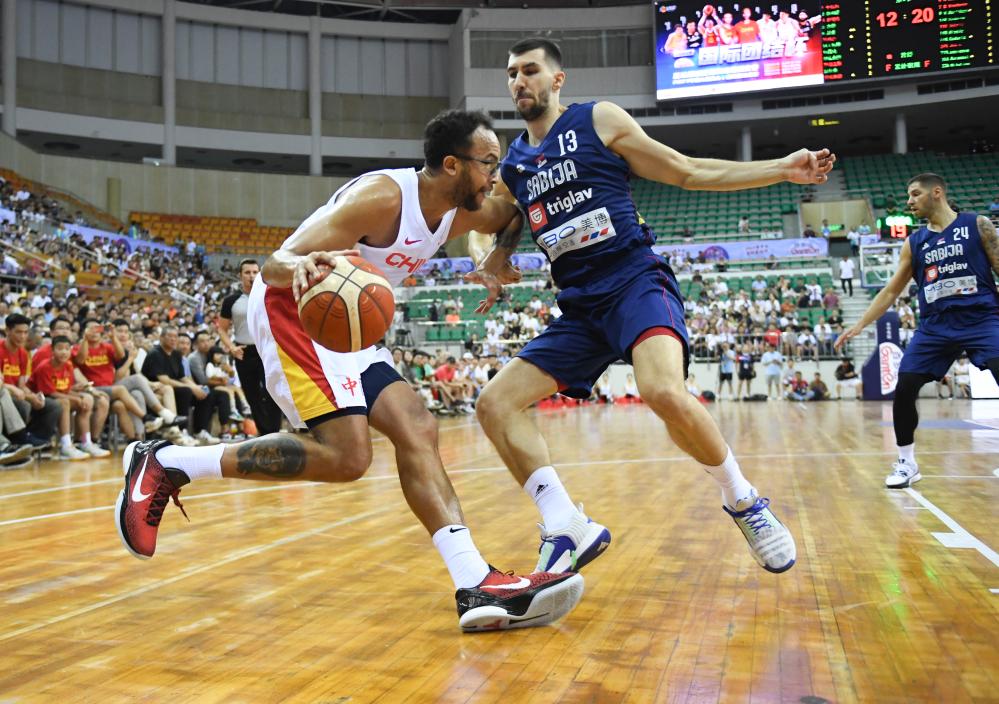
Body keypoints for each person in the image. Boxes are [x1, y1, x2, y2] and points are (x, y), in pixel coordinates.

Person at [114, 109, 583, 632]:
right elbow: (276, 263)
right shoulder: (382, 198)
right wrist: (303, 266)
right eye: (488, 163)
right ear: (452, 165)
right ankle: (169, 461)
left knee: (417, 426)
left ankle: (474, 582)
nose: (495, 175)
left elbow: (511, 216)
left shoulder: (460, 211)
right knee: (348, 457)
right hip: (295, 308)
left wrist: (498, 257)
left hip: (348, 324)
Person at [472, 38, 834, 576]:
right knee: (493, 404)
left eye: (530, 70)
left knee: (662, 390)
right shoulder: (515, 164)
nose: (519, 81)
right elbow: (491, 217)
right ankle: (566, 522)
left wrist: (781, 168)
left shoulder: (597, 120)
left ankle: (743, 499)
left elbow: (687, 171)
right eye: (511, 74)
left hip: (634, 281)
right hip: (580, 306)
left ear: (557, 79)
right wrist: (490, 257)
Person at [835, 172, 999, 488]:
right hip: (936, 326)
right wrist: (860, 324)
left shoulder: (977, 225)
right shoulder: (915, 242)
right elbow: (890, 291)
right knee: (906, 385)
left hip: (982, 319)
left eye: (914, 194)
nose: (908, 201)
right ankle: (906, 463)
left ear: (936, 192)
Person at [218, 259, 283, 436]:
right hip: (243, 352)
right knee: (252, 395)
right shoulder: (231, 301)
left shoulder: (268, 296)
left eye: (255, 272)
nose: (251, 276)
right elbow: (222, 329)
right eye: (247, 272)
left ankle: (275, 431)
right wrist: (231, 347)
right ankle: (264, 433)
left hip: (267, 350)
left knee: (273, 392)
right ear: (240, 275)